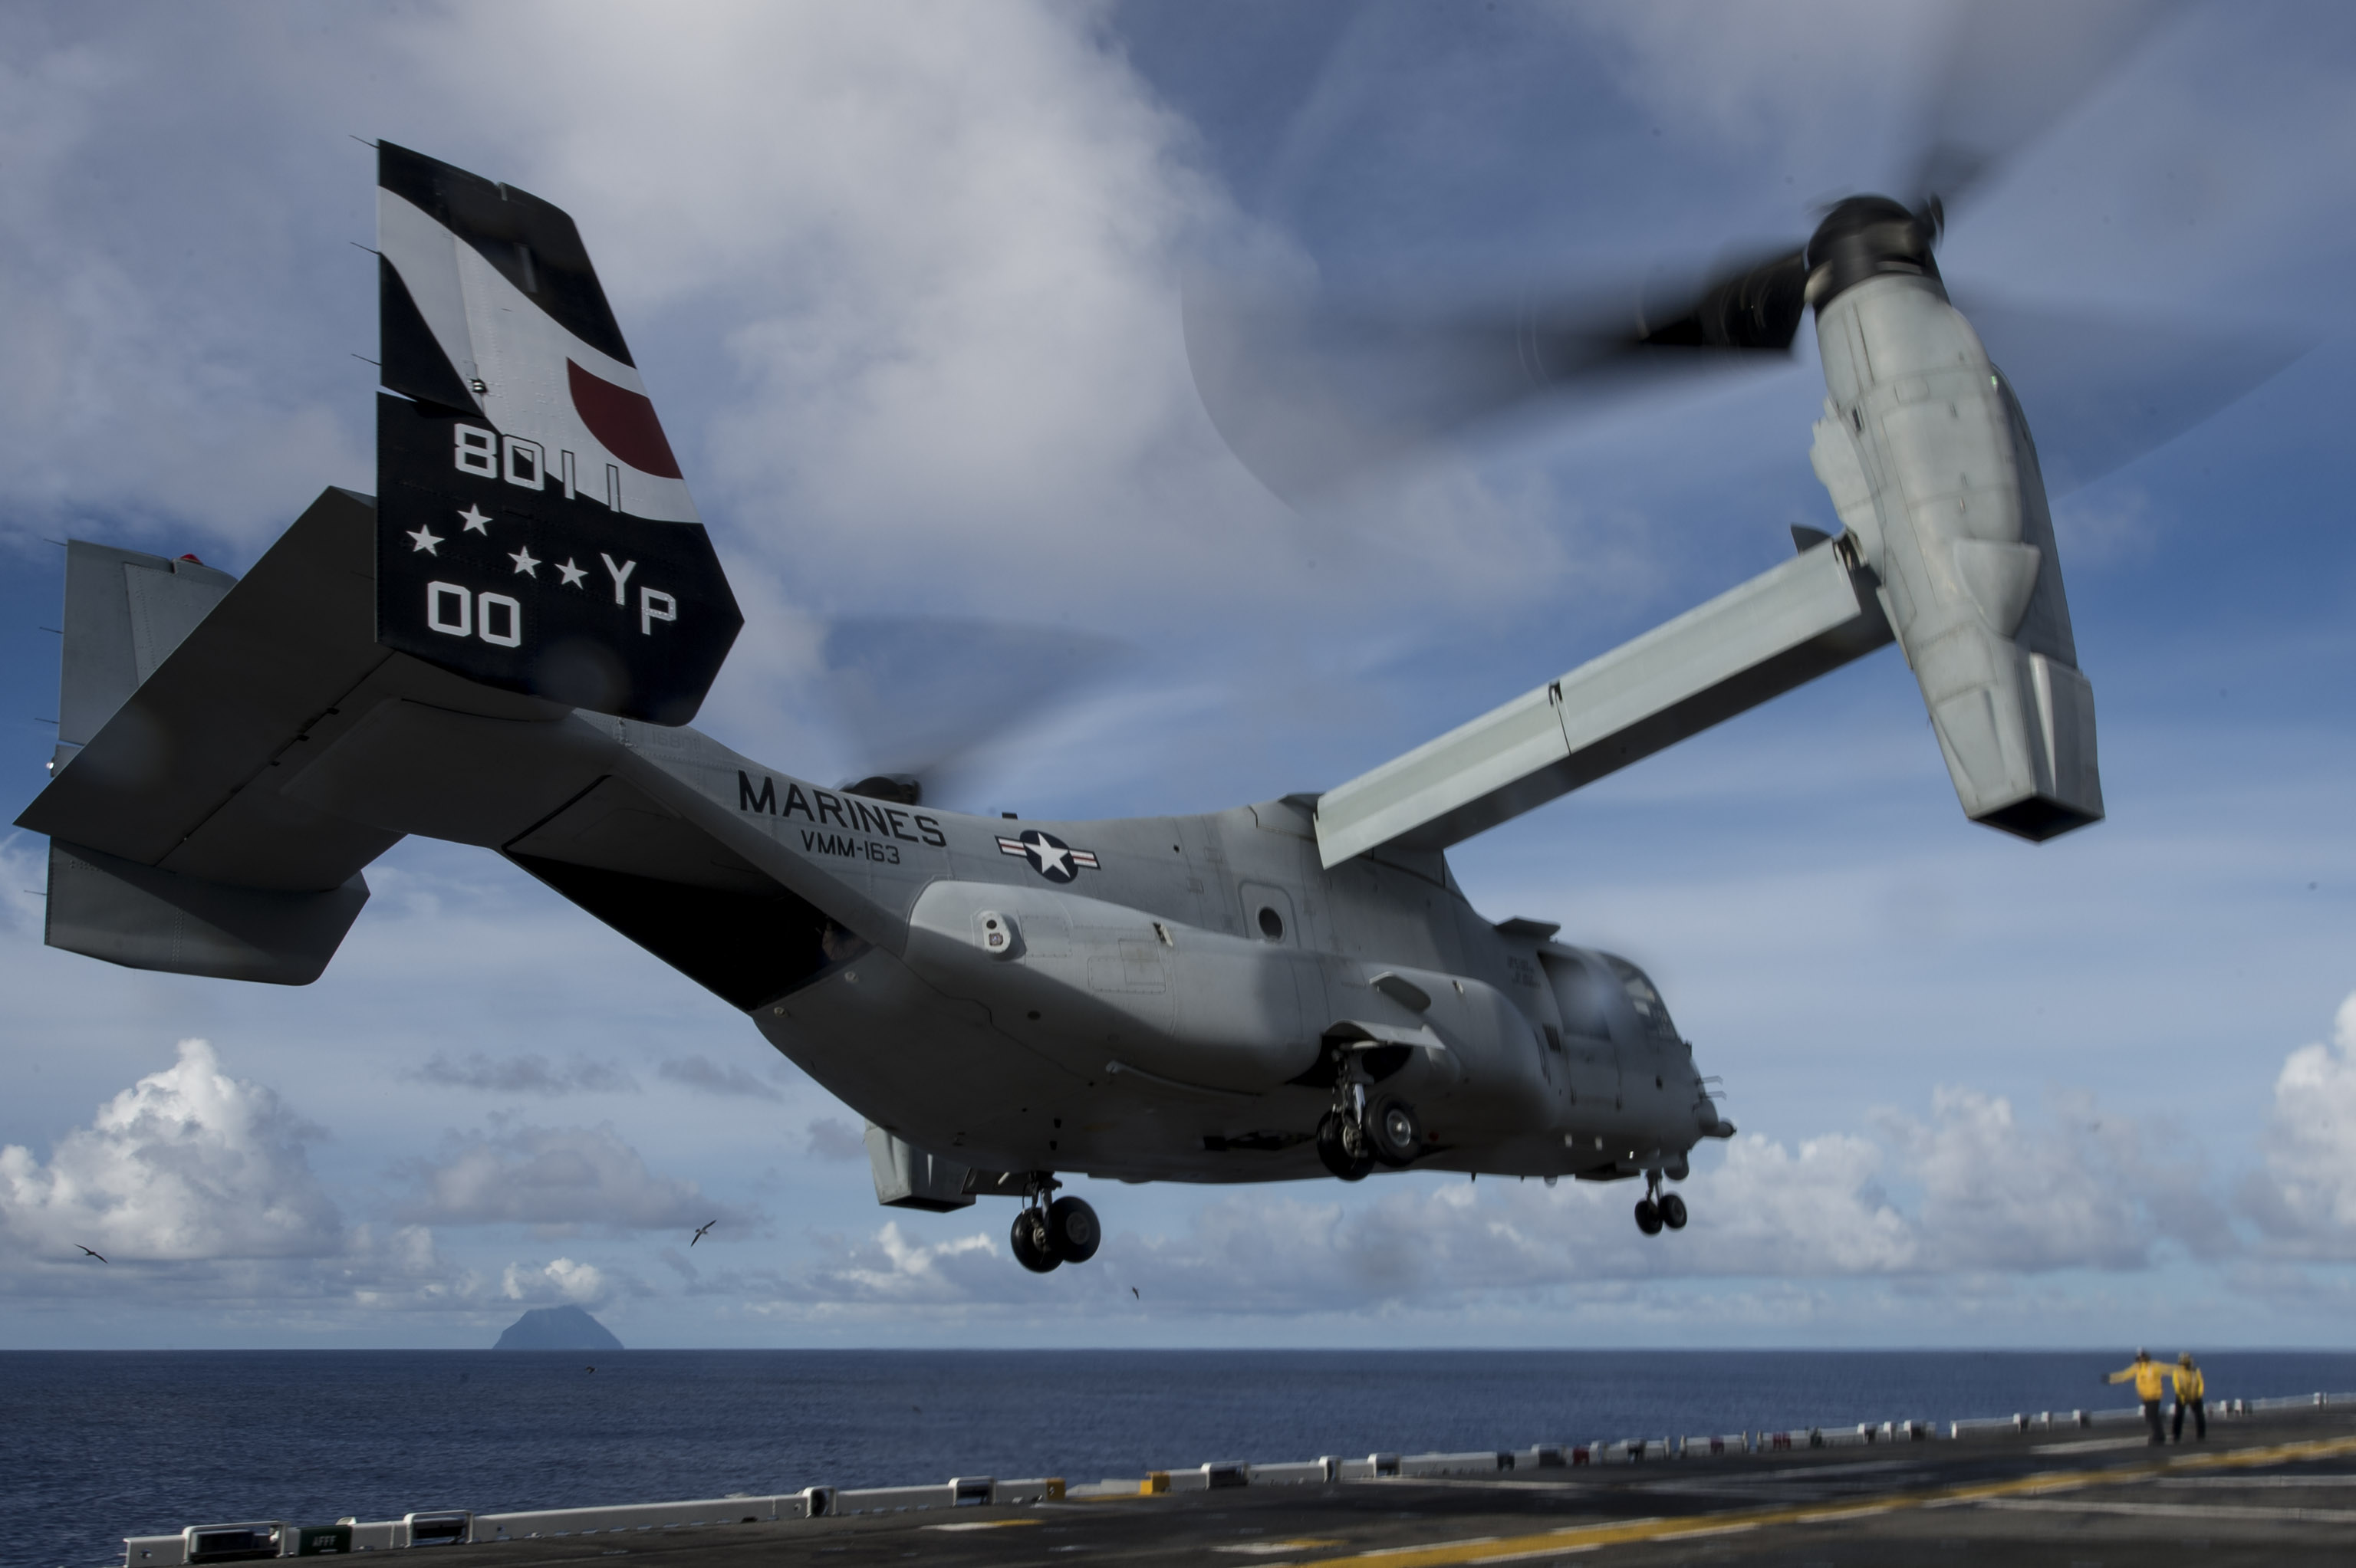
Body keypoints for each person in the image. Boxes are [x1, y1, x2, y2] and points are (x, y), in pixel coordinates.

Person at [2105, 1348, 2169, 1445]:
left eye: (2142, 1357)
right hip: (2145, 1397)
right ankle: (2159, 1435)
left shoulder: (2154, 1366)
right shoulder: (2137, 1368)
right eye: (2140, 1357)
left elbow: (2169, 1369)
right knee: (2151, 1417)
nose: (2141, 1359)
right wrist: (2111, 1379)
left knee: (2153, 1416)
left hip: (2155, 1396)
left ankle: (2158, 1436)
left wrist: (2183, 1369)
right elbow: (2124, 1375)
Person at [2170, 1354, 2206, 1442]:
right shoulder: (2177, 1372)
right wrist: (2182, 1396)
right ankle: (2176, 1435)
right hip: (2182, 1396)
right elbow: (2177, 1385)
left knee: (2200, 1416)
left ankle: (2201, 1435)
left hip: (2195, 1396)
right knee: (2178, 1416)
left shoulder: (2195, 1371)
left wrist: (2199, 1395)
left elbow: (2201, 1383)